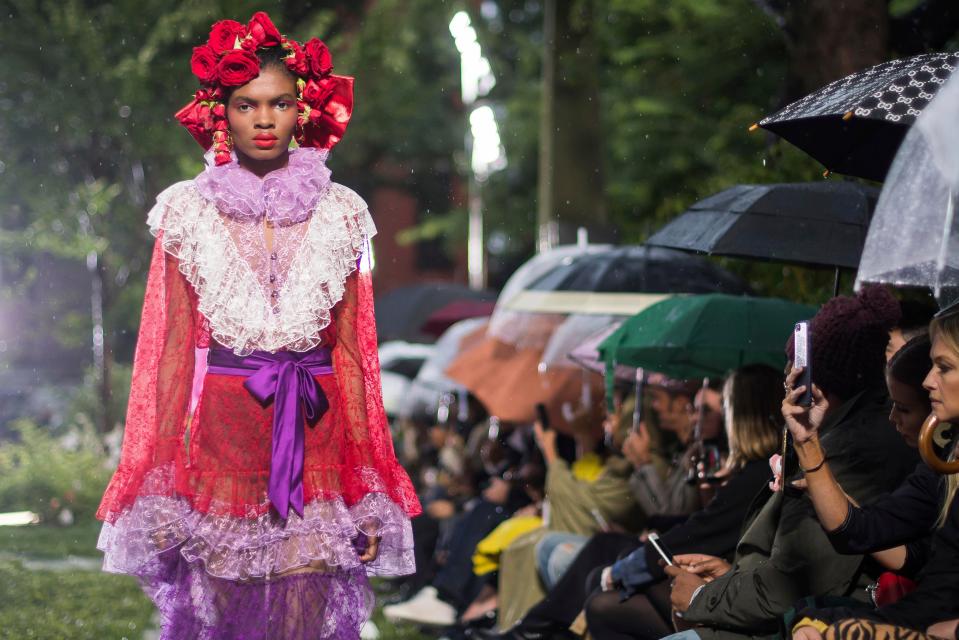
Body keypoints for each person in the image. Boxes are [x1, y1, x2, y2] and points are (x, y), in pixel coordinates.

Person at [94, 13, 420, 639]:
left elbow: (355, 359)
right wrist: (159, 483)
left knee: (301, 622)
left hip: (317, 440)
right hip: (223, 444)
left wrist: (369, 483)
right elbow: (165, 358)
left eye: (280, 104)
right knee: (230, 625)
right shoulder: (186, 212)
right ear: (223, 111)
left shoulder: (342, 212)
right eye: (247, 104)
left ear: (304, 111)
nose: (264, 119)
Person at [661, 285, 918, 640]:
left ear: (816, 383)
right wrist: (730, 576)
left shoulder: (853, 448)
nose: (786, 379)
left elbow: (791, 584)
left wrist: (703, 596)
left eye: (794, 369)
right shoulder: (841, 436)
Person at [789, 310, 959, 639]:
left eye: (945, 367)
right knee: (807, 622)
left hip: (929, 622)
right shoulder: (943, 462)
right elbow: (858, 531)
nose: (928, 381)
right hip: (919, 616)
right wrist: (808, 441)